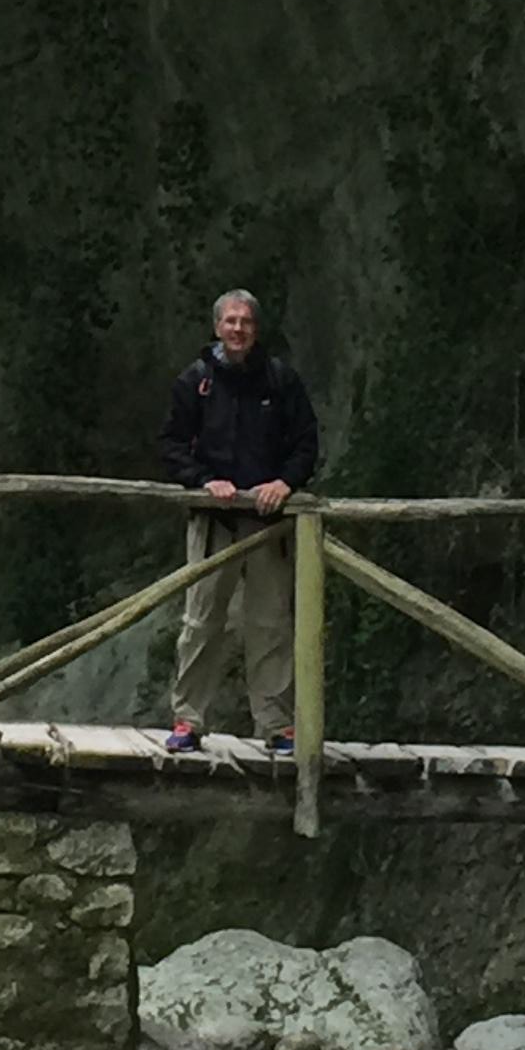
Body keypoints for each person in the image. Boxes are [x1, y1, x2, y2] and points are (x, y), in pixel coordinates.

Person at [158, 288, 319, 753]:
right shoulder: (195, 381)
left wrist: (285, 483)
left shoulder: (280, 380)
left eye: (245, 322)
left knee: (270, 623)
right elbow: (171, 445)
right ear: (216, 327)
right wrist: (205, 481)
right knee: (201, 622)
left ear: (256, 328)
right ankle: (188, 721)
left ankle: (277, 725)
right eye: (230, 321)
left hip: (268, 521)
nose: (238, 329)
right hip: (214, 519)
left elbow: (305, 443)